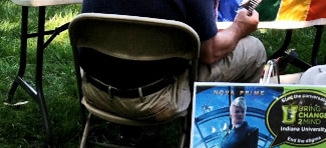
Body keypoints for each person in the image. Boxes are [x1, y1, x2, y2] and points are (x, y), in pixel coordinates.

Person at [79, 0, 267, 122]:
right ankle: (229, 129)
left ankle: (132, 133)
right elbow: (210, 53)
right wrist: (239, 28)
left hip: (94, 91)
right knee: (254, 49)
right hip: (157, 101)